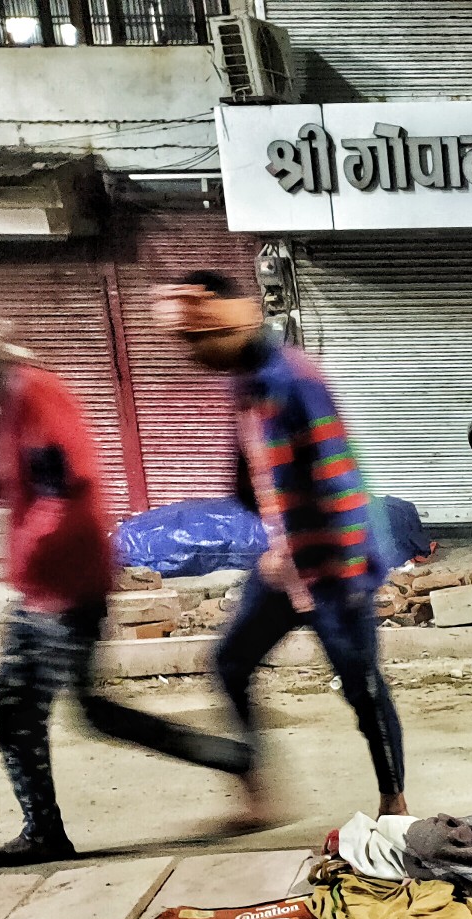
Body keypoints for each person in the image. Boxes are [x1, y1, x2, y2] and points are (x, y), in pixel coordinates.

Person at [0, 287, 250, 869]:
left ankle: (230, 760)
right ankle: (49, 830)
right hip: (47, 589)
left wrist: (32, 552)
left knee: (54, 711)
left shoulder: (32, 392)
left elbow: (68, 490)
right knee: (43, 711)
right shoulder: (14, 399)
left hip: (65, 591)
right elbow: (43, 484)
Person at [159, 271, 408, 819]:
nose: (193, 354)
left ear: (236, 320)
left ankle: (395, 802)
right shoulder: (245, 382)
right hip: (287, 566)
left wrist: (332, 565)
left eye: (200, 341)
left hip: (336, 565)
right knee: (230, 662)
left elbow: (342, 480)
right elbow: (251, 477)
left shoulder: (294, 379)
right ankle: (257, 791)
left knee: (362, 685)